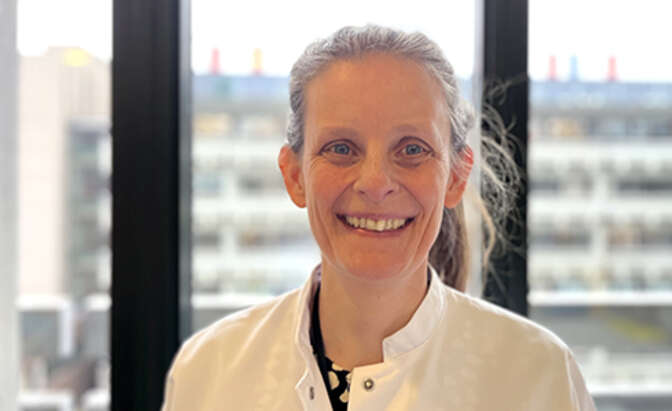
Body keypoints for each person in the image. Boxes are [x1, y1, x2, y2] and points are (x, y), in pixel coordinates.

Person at [161, 25, 596, 411]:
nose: (375, 182)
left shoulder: (538, 377)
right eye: (341, 148)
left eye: (412, 149)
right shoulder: (208, 373)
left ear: (456, 176)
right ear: (294, 176)